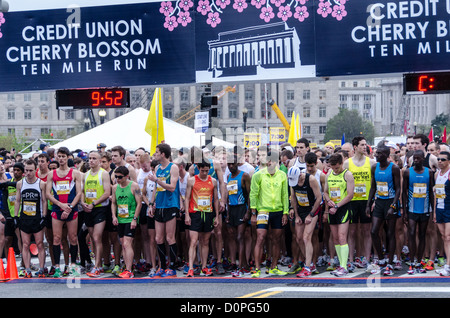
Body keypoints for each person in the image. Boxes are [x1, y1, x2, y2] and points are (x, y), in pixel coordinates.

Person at [249, 148, 289, 278]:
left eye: (274, 161)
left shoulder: (282, 175)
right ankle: (256, 268)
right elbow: (253, 194)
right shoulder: (258, 175)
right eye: (269, 161)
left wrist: (285, 212)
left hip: (277, 210)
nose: (271, 163)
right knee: (260, 237)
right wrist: (253, 212)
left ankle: (274, 267)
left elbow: (285, 195)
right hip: (263, 211)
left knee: (276, 239)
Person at [45, 147, 82, 278]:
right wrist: (60, 205)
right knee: (56, 238)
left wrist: (70, 207)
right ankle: (56, 267)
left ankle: (72, 266)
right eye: (59, 156)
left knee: (72, 237)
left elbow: (79, 193)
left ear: (68, 157)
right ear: (56, 157)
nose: (61, 159)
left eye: (63, 156)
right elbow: (48, 194)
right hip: (57, 208)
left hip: (71, 209)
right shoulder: (51, 174)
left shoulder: (75, 173)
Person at [365, 145, 401, 276]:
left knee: (390, 233)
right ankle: (381, 259)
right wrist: (368, 204)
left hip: (390, 201)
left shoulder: (394, 168)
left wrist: (393, 206)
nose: (376, 155)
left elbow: (398, 189)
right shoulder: (374, 167)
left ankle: (390, 263)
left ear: (386, 155)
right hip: (379, 201)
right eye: (376, 153)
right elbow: (373, 187)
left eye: (379, 153)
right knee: (374, 231)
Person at [148, 143, 180, 277]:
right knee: (158, 238)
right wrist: (151, 203)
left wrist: (157, 180)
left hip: (170, 205)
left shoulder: (173, 167)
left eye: (156, 152)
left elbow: (172, 187)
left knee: (170, 237)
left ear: (163, 154)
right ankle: (162, 266)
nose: (154, 154)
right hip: (159, 205)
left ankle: (172, 267)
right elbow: (156, 187)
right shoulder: (157, 167)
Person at [343, 136, 375, 270]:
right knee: (352, 231)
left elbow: (375, 183)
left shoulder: (372, 162)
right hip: (352, 201)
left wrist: (374, 200)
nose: (365, 147)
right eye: (362, 145)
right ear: (355, 147)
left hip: (366, 201)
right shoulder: (347, 163)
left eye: (365, 145)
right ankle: (351, 259)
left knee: (367, 231)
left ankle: (366, 259)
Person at [184, 160, 219, 277]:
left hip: (208, 213)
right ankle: (191, 267)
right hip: (195, 213)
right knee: (193, 241)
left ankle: (204, 267)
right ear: (198, 168)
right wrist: (187, 215)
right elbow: (187, 198)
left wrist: (217, 216)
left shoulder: (213, 181)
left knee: (205, 241)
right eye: (202, 170)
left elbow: (216, 200)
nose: (204, 173)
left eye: (207, 171)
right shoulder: (192, 180)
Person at [323, 153, 355, 277]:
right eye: (333, 167)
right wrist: (328, 201)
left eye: (337, 167)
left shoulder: (347, 174)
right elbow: (325, 192)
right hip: (332, 208)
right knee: (335, 237)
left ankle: (344, 266)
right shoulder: (329, 174)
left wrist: (337, 206)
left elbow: (350, 195)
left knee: (342, 236)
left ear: (341, 164)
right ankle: (340, 264)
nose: (335, 170)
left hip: (343, 208)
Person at [403, 150, 435, 275]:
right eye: (414, 159)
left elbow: (431, 193)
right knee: (411, 233)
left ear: (423, 159)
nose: (415, 160)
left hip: (425, 209)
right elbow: (404, 193)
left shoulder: (429, 172)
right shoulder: (407, 172)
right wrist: (404, 211)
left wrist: (433, 211)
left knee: (422, 235)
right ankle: (412, 262)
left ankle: (420, 261)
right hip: (411, 209)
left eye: (418, 158)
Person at [14, 159, 48, 278]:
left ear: (35, 170)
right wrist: (15, 216)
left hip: (37, 218)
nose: (28, 173)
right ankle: (27, 269)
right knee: (25, 244)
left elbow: (44, 200)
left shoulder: (41, 184)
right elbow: (18, 201)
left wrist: (44, 215)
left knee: (39, 244)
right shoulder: (20, 183)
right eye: (26, 171)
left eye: (30, 171)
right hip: (24, 218)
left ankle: (42, 268)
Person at [81, 151, 112, 278]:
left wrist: (94, 203)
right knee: (93, 238)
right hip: (88, 209)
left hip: (100, 208)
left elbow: (106, 192)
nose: (91, 161)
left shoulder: (103, 174)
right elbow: (82, 191)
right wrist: (83, 203)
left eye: (94, 158)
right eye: (90, 158)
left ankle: (98, 266)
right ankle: (97, 263)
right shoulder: (86, 174)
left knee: (97, 236)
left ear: (99, 161)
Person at [288, 166, 322, 277]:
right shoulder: (292, 181)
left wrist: (311, 214)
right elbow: (293, 198)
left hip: (312, 209)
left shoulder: (310, 179)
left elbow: (319, 198)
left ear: (300, 175)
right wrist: (297, 215)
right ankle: (310, 262)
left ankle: (307, 267)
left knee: (306, 237)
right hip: (301, 209)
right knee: (298, 237)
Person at [111, 166, 142, 278]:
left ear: (126, 176)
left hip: (130, 218)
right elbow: (113, 203)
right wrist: (114, 216)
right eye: (116, 177)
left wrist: (135, 219)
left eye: (120, 177)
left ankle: (129, 270)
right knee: (123, 244)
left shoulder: (135, 186)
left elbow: (139, 203)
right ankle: (127, 267)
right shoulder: (114, 187)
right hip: (120, 218)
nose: (117, 179)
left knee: (127, 243)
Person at [225, 155, 251, 277]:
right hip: (232, 209)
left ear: (237, 164)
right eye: (229, 164)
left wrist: (249, 212)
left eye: (233, 164)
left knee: (241, 237)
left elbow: (250, 194)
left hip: (242, 208)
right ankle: (244, 265)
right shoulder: (228, 176)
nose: (231, 167)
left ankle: (240, 267)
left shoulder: (244, 175)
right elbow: (228, 197)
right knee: (234, 237)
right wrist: (228, 214)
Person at [434, 151, 450, 276]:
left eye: (443, 159)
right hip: (439, 208)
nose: (439, 161)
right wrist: (434, 211)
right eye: (438, 159)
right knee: (444, 236)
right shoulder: (436, 174)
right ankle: (447, 263)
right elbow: (435, 195)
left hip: (448, 207)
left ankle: (448, 265)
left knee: (448, 237)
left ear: (448, 161)